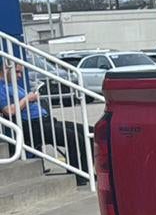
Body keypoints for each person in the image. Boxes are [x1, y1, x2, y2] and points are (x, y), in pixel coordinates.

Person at [0, 56, 91, 186]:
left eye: (21, 72)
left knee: (88, 132)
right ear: (6, 70)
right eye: (17, 72)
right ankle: (78, 176)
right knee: (72, 137)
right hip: (33, 125)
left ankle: (86, 172)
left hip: (46, 120)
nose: (20, 76)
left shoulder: (13, 86)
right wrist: (28, 99)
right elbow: (9, 111)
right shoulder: (1, 88)